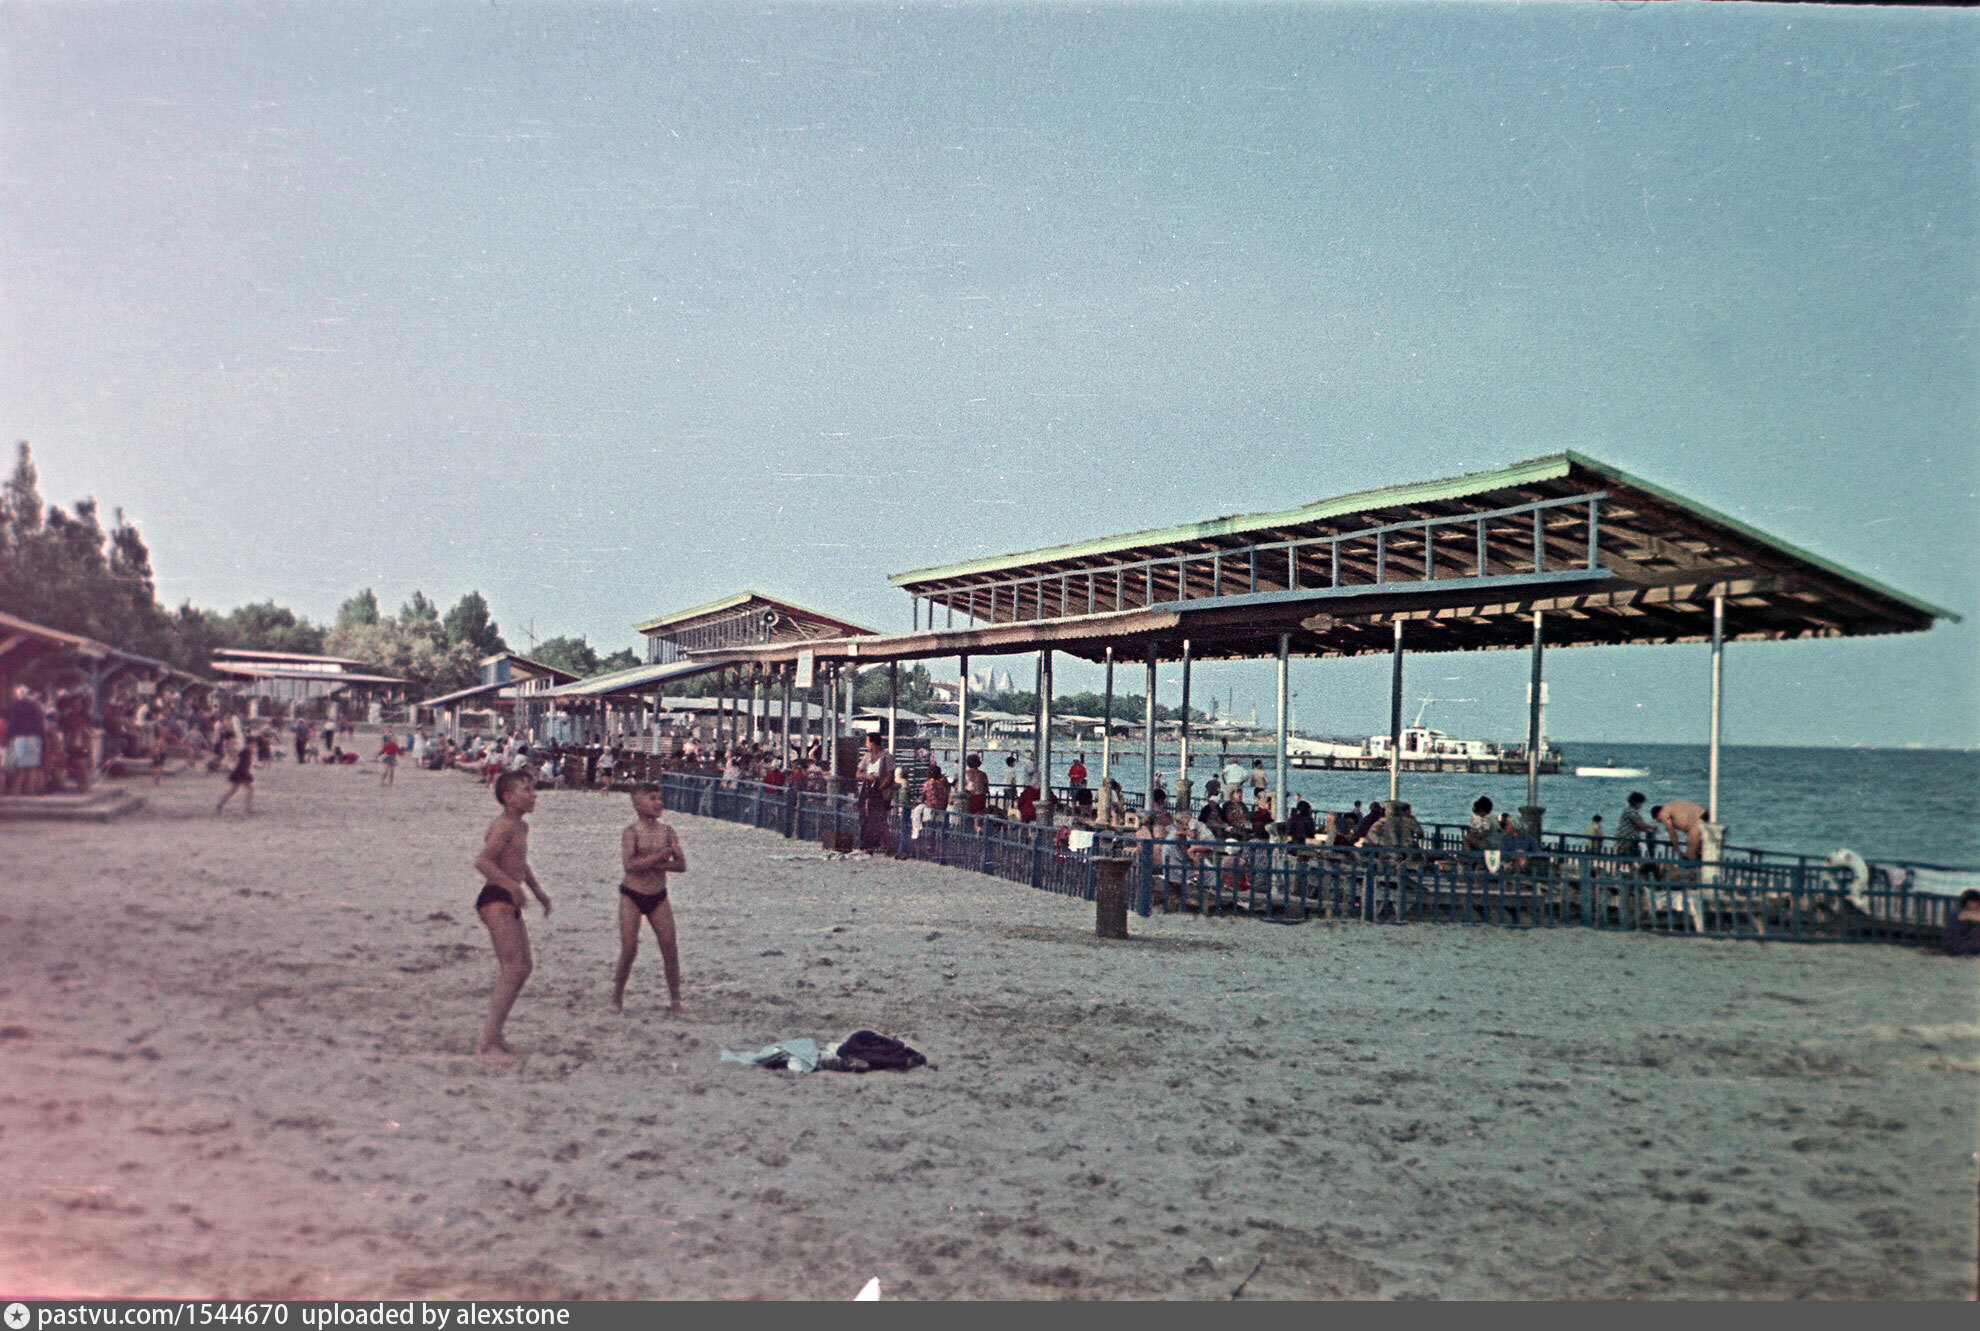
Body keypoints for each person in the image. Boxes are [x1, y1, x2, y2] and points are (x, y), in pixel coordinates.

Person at [473, 771, 554, 1059]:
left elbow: (520, 862)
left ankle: (496, 1035)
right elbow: (483, 861)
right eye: (527, 790)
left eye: (533, 789)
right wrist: (511, 886)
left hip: (508, 897)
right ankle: (487, 1043)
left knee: (524, 966)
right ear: (508, 798)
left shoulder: (521, 826)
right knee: (512, 968)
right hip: (495, 898)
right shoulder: (504, 826)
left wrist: (538, 892)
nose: (534, 795)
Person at [612, 783, 688, 1013]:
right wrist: (660, 857)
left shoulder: (667, 831)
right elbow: (629, 865)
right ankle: (616, 996)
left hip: (658, 896)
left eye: (659, 798)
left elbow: (681, 864)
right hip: (632, 895)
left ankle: (676, 1000)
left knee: (669, 947)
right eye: (652, 798)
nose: (658, 803)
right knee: (629, 948)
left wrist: (656, 863)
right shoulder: (631, 832)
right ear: (638, 805)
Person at [857, 733, 896, 852]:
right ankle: (867, 844)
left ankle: (886, 846)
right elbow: (858, 773)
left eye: (867, 741)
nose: (866, 744)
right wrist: (867, 777)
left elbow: (890, 776)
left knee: (880, 819)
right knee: (865, 817)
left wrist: (880, 788)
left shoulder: (887, 757)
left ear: (873, 743)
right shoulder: (867, 757)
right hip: (867, 788)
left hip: (879, 790)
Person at [6, 685, 46, 796]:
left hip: (20, 737)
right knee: (32, 767)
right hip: (35, 737)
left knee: (21, 766)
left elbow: (13, 723)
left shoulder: (16, 705)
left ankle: (15, 791)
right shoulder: (35, 705)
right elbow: (41, 722)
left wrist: (10, 736)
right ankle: (30, 791)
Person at [215, 739, 255, 816]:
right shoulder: (247, 751)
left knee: (235, 790)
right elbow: (240, 759)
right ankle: (249, 808)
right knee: (249, 790)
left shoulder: (246, 750)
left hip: (241, 772)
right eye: (253, 744)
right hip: (242, 772)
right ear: (251, 743)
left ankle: (220, 804)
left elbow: (237, 757)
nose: (254, 746)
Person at [1614, 791, 1656, 859]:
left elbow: (1638, 826)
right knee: (1629, 857)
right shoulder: (1631, 811)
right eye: (1641, 803)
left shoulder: (1628, 810)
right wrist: (1652, 827)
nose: (1641, 805)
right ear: (1637, 802)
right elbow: (1639, 823)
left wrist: (1647, 830)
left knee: (1628, 857)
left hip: (1627, 838)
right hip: (1626, 838)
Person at [1941, 889, 1980, 958]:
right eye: (1975, 901)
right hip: (1955, 946)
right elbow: (1966, 916)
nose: (1977, 905)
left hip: (1964, 944)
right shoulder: (1958, 911)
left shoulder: (1969, 912)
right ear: (1967, 901)